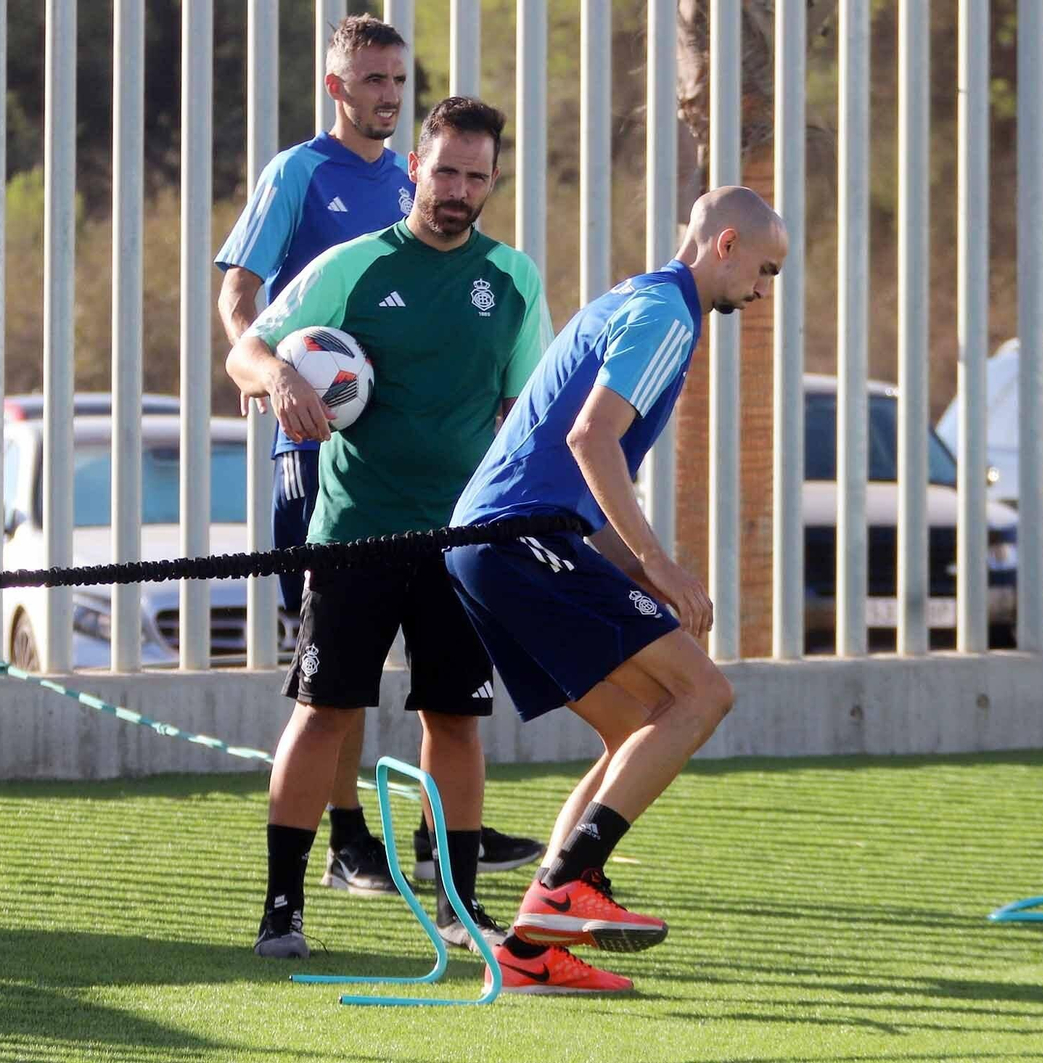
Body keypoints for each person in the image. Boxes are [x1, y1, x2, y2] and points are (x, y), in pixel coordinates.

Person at [215, 16, 541, 913]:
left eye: (477, 176)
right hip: (354, 530)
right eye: (445, 172)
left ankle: (459, 901)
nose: (459, 189)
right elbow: (247, 345)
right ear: (417, 169)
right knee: (323, 712)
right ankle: (285, 901)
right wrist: (279, 374)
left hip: (460, 541)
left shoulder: (514, 279)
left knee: (458, 721)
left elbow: (524, 417)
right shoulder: (346, 262)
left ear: (492, 180)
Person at [445, 186, 789, 993]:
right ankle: (571, 883)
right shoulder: (670, 314)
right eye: (764, 270)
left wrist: (629, 568)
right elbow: (589, 438)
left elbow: (577, 470)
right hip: (519, 536)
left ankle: (530, 950)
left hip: (500, 543)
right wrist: (660, 563)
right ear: (725, 244)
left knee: (639, 724)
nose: (764, 290)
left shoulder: (636, 299)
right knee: (704, 693)